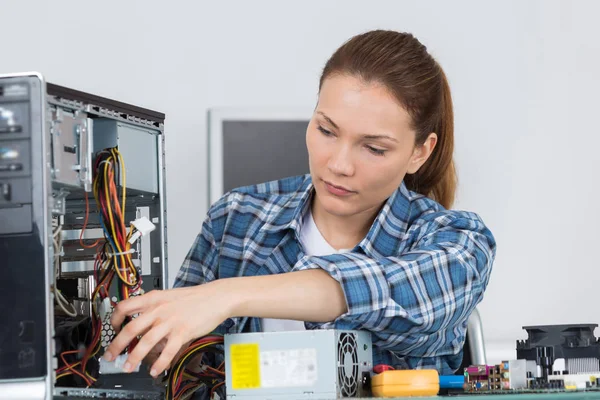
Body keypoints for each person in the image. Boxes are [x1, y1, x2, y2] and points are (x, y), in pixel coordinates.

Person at [104, 29, 496, 385]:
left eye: (374, 148)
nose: (339, 165)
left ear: (419, 152)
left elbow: (375, 289)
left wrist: (227, 294)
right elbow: (176, 368)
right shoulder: (236, 219)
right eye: (326, 130)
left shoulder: (458, 245)